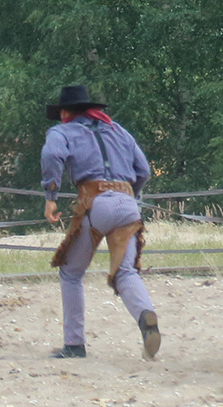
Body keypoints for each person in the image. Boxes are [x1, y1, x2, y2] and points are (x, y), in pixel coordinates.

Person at [41, 83, 159, 360]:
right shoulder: (118, 130)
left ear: (65, 113)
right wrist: (132, 197)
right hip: (128, 204)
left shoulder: (62, 131)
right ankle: (145, 316)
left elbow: (51, 155)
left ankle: (75, 344)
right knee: (126, 272)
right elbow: (143, 170)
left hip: (95, 202)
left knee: (71, 272)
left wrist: (51, 195)